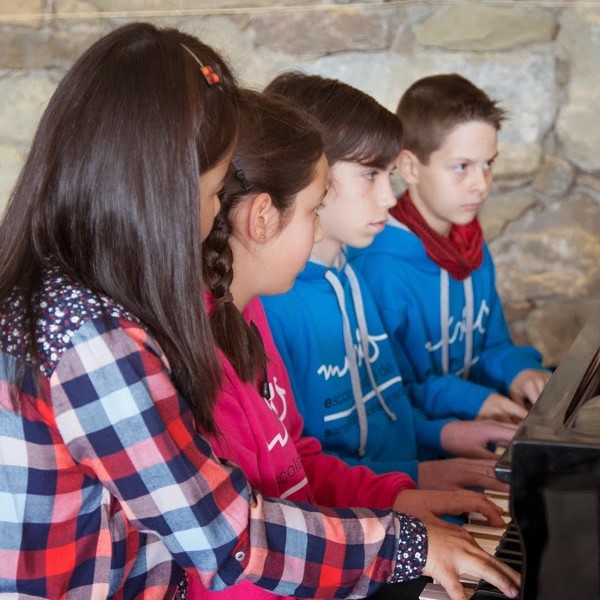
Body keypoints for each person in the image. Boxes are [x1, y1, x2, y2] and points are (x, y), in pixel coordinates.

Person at [0, 25, 522, 600]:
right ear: (160, 189)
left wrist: (394, 504)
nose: (214, 215)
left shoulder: (77, 295)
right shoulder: (91, 338)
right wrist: (408, 544)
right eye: (212, 191)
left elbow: (279, 477)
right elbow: (228, 540)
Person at [190, 89, 513, 600]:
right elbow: (240, 544)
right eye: (315, 209)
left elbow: (300, 462)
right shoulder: (235, 327)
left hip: (354, 538)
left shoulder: (253, 312)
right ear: (262, 216)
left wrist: (405, 491)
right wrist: (401, 535)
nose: (390, 199)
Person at [260, 72, 516, 498]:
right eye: (370, 175)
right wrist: (417, 476)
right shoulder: (274, 305)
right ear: (312, 176)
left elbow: (390, 409)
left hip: (405, 485)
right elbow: (298, 471)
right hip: (368, 522)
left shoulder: (351, 272)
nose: (391, 199)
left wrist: (447, 434)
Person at [348, 73, 551, 424]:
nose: (480, 184)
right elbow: (393, 391)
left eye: (489, 163)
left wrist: (518, 371)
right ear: (410, 167)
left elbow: (493, 344)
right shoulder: (378, 266)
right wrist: (476, 401)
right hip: (424, 447)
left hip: (480, 424)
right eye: (462, 167)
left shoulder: (469, 240)